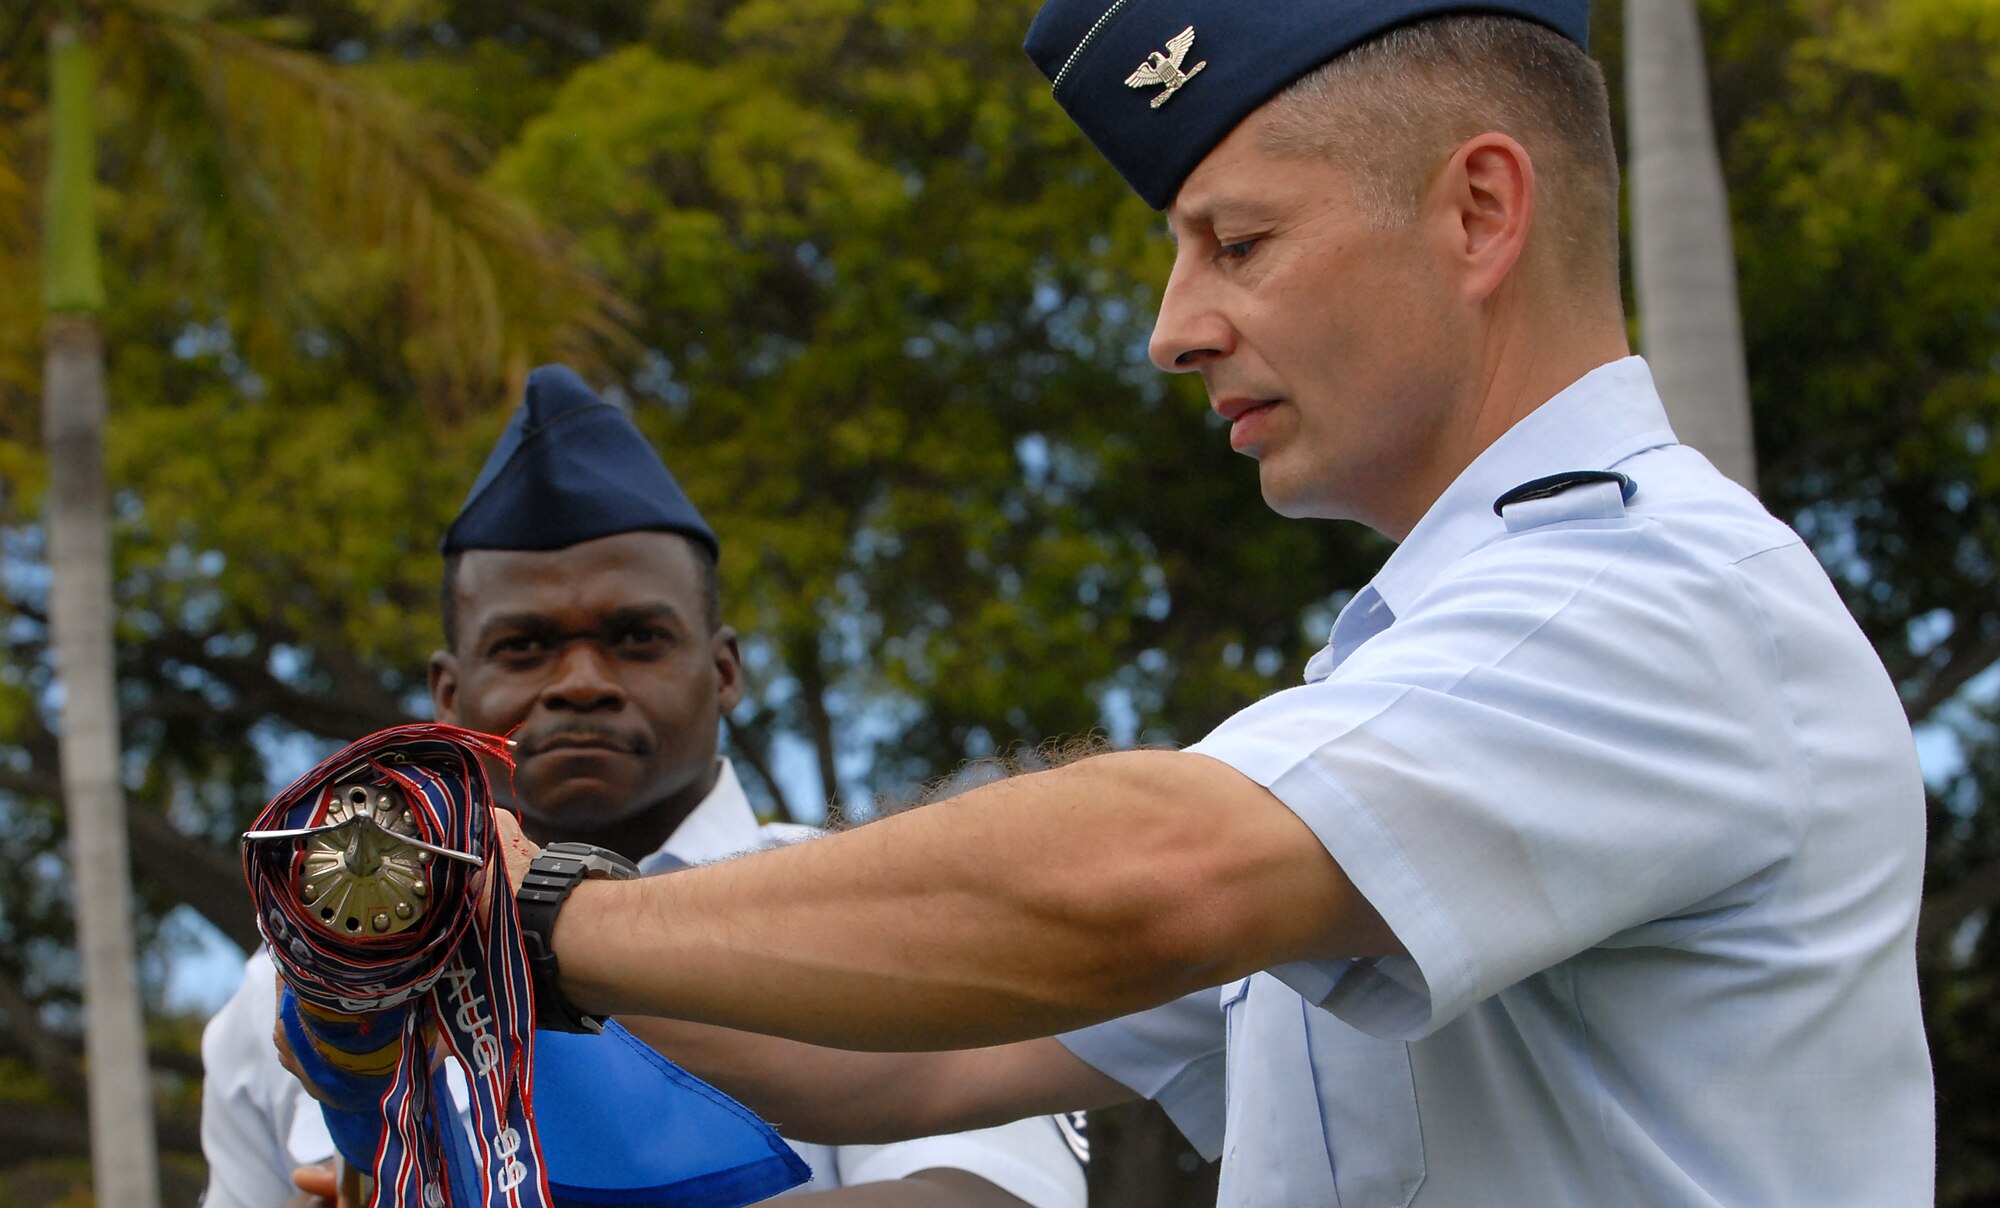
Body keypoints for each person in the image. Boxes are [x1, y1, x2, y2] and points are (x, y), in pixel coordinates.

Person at [459, 1, 1936, 1204]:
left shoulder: (1653, 592)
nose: (1173, 329)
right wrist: (461, 941)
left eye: (1238, 243)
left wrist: (545, 914)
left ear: (1480, 211)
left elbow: (1148, 880)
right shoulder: (1435, 660)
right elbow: (913, 1067)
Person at [200, 365, 1089, 1208]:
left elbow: (990, 1192)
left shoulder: (867, 900)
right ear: (447, 696)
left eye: (636, 639)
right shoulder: (293, 980)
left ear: (725, 669)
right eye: (524, 647)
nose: (581, 679)